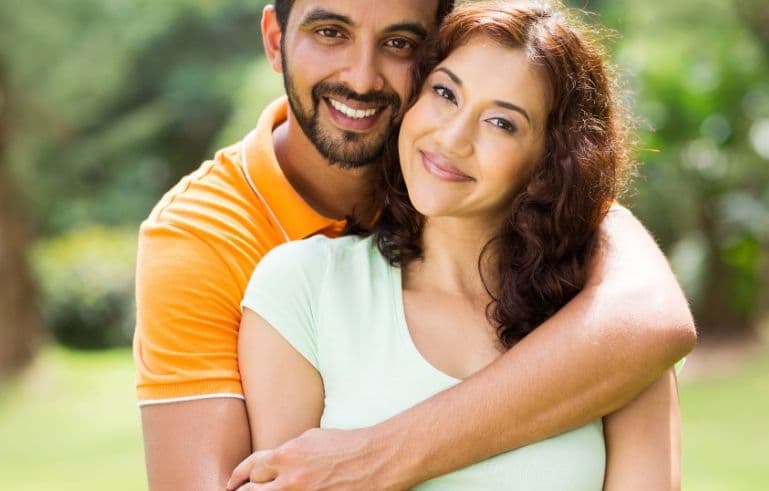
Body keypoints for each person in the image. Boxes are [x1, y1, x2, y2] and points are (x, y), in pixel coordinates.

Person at [133, 0, 694, 489]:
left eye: (399, 43)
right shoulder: (216, 244)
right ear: (277, 42)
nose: (361, 77)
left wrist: (373, 461)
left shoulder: (579, 265)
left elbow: (655, 320)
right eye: (330, 32)